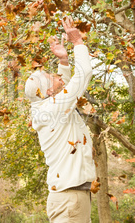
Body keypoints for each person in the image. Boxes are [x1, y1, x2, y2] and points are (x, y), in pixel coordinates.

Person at [25, 17, 96, 223]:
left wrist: (64, 61)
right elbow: (83, 76)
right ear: (47, 91)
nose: (56, 75)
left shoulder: (48, 108)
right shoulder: (53, 108)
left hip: (71, 197)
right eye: (50, 75)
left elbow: (62, 90)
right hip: (69, 199)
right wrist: (78, 43)